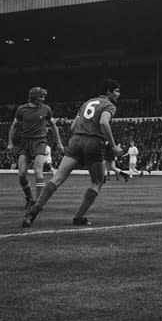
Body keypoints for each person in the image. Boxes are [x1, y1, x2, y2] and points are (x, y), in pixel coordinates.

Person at [22, 79, 124, 228]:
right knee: (97, 182)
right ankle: (79, 217)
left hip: (76, 140)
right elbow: (103, 122)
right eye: (116, 91)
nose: (118, 94)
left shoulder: (86, 103)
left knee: (57, 178)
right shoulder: (109, 105)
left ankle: (33, 211)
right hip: (94, 142)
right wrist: (114, 147)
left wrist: (78, 142)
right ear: (108, 91)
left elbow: (73, 126)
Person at [6, 87, 64, 210]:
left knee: (38, 171)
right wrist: (10, 143)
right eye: (41, 97)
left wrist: (59, 143)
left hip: (40, 142)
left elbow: (53, 126)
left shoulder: (46, 109)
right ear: (34, 97)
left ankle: (38, 204)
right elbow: (14, 126)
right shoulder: (21, 109)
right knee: (21, 174)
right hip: (24, 143)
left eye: (44, 97)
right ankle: (29, 199)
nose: (43, 99)